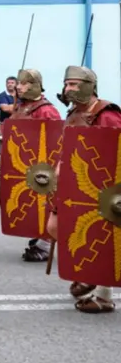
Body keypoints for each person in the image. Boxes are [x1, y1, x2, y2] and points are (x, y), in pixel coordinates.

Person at [47, 65, 121, 314]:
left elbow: (116, 152)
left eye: (74, 85)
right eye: (67, 84)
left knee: (102, 236)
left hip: (100, 189)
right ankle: (87, 272)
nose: (68, 89)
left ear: (89, 86)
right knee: (54, 227)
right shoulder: (72, 114)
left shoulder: (106, 114)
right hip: (74, 187)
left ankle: (103, 294)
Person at [8, 69, 63, 263]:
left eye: (23, 83)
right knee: (28, 203)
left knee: (45, 203)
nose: (18, 86)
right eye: (19, 83)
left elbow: (57, 140)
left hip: (43, 168)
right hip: (24, 166)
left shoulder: (46, 110)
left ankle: (45, 244)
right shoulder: (21, 107)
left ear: (34, 85)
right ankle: (39, 233)